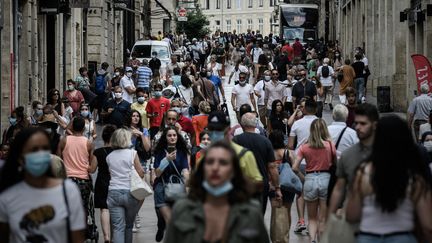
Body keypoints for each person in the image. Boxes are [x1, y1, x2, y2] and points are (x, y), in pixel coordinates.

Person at [346, 116, 432, 243]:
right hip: (402, 237)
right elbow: (427, 226)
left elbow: (352, 215)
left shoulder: (363, 173)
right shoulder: (414, 178)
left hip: (368, 237)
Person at [165, 141, 270, 243]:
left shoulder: (251, 213)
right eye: (210, 162)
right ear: (202, 169)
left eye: (223, 162)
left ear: (233, 171)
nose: (215, 168)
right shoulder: (182, 210)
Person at [0, 127, 86, 242]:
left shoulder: (69, 192)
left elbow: (77, 238)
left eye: (45, 149)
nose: (40, 154)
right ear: (20, 157)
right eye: (34, 150)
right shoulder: (7, 197)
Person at [328, 103, 379, 216]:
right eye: (356, 123)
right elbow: (339, 188)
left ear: (374, 125)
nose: (358, 127)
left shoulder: (382, 153)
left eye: (363, 124)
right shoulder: (348, 155)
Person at [292, 119, 336, 243]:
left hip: (310, 179)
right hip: (326, 179)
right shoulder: (330, 145)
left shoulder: (304, 147)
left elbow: (294, 167)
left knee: (312, 218)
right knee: (322, 218)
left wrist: (304, 178)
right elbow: (335, 163)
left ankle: (312, 240)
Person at [233, 112, 281, 214]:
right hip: (260, 185)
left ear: (242, 125)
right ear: (255, 125)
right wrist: (277, 187)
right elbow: (272, 167)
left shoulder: (236, 140)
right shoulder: (265, 141)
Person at [57, 117, 96, 232]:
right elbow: (91, 162)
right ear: (84, 128)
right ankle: (81, 230)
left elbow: (59, 159)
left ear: (72, 127)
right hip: (83, 179)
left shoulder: (64, 140)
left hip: (67, 178)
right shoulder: (88, 143)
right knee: (83, 207)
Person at [106, 128, 145, 243]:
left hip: (113, 192)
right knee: (128, 225)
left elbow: (110, 173)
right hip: (130, 192)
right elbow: (141, 173)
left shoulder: (109, 157)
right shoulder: (132, 154)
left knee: (118, 227)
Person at [153, 126, 190, 240]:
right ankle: (161, 226)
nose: (172, 137)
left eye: (174, 135)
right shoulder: (160, 152)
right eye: (169, 135)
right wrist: (166, 160)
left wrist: (188, 178)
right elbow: (157, 173)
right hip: (161, 189)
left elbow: (185, 169)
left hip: (177, 189)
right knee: (167, 221)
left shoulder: (182, 152)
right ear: (165, 137)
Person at [288, 98, 318, 234]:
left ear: (304, 110)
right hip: (317, 162)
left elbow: (290, 145)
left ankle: (301, 221)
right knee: (315, 192)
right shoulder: (320, 123)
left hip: (300, 162)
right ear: (316, 109)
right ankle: (314, 221)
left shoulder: (297, 124)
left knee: (300, 192)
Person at [268, 130, 296, 242]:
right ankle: (285, 235)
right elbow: (294, 168)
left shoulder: (269, 153)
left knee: (276, 212)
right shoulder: (287, 153)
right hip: (288, 185)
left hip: (273, 185)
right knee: (287, 211)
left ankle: (276, 235)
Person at [93, 125, 116, 243]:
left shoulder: (98, 152)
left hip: (102, 181)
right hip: (115, 181)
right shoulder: (118, 152)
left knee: (104, 209)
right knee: (115, 210)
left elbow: (92, 169)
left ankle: (106, 236)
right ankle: (113, 237)